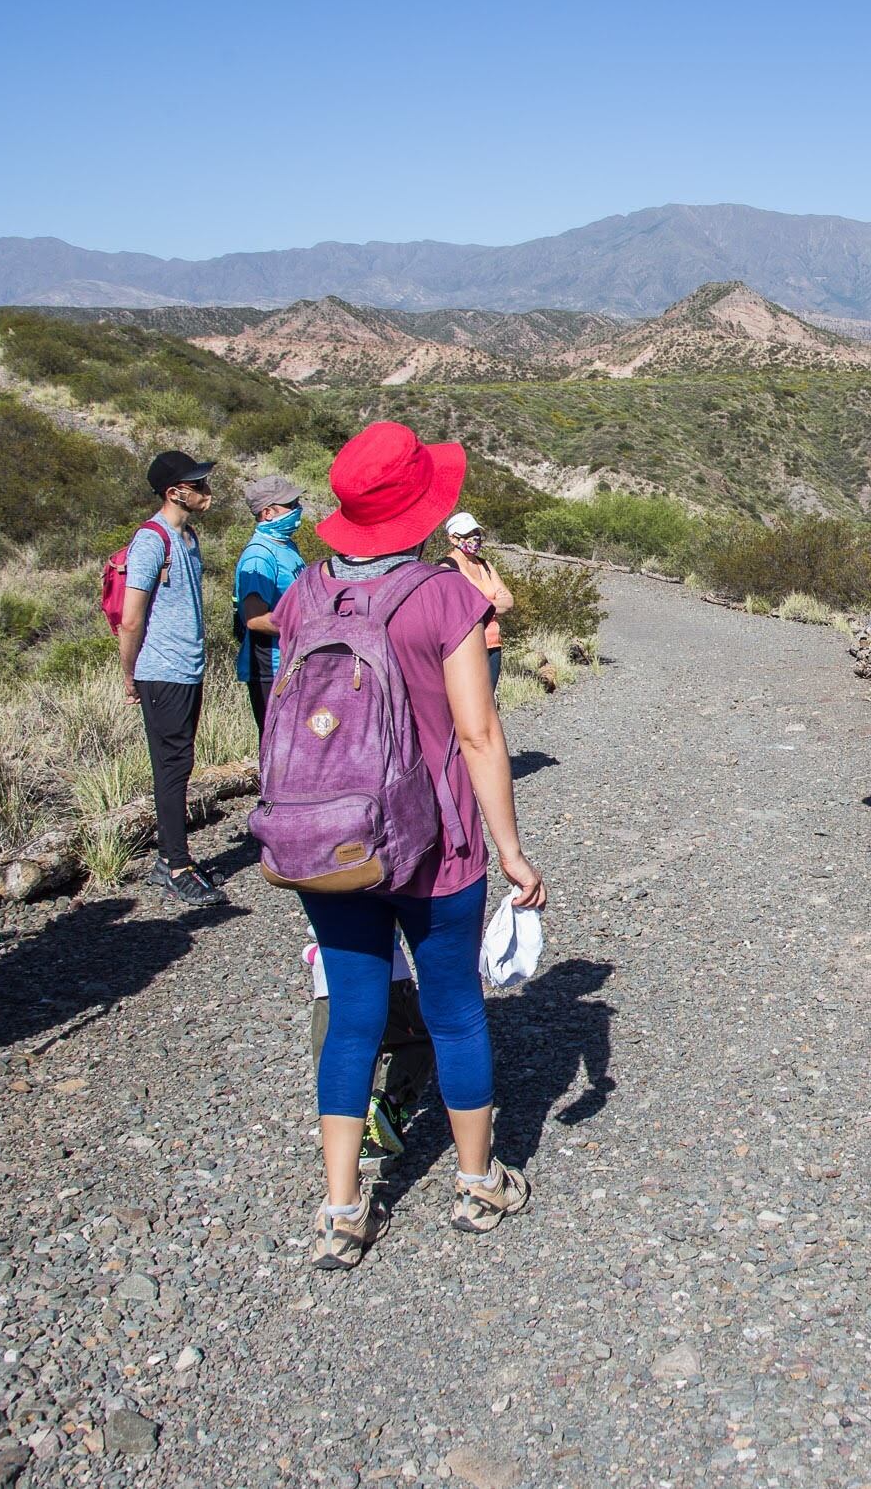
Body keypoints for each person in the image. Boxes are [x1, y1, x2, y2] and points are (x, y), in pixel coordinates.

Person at [282, 422, 548, 1269]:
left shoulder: (303, 592)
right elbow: (478, 733)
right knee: (455, 1005)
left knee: (352, 1015)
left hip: (328, 839)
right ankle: (476, 1184)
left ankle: (341, 1209)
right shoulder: (442, 595)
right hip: (433, 845)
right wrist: (511, 848)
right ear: (421, 508)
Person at [120, 449, 222, 907]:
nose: (206, 492)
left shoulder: (189, 538)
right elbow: (131, 617)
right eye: (197, 485)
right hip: (162, 671)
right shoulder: (151, 540)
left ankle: (173, 855)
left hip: (186, 668)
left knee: (180, 764)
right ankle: (174, 864)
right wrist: (130, 673)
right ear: (174, 492)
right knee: (171, 767)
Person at [232, 473, 306, 738]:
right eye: (291, 504)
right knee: (277, 744)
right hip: (270, 668)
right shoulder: (258, 556)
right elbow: (253, 618)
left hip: (292, 662)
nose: (298, 509)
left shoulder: (287, 547)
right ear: (267, 512)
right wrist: (306, 626)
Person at [444, 511, 513, 691]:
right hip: (465, 646)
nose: (475, 538)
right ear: (453, 538)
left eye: (476, 533)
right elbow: (455, 608)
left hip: (492, 643)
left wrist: (479, 606)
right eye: (468, 535)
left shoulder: (485, 565)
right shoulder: (447, 568)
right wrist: (491, 605)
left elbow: (508, 601)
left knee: (488, 699)